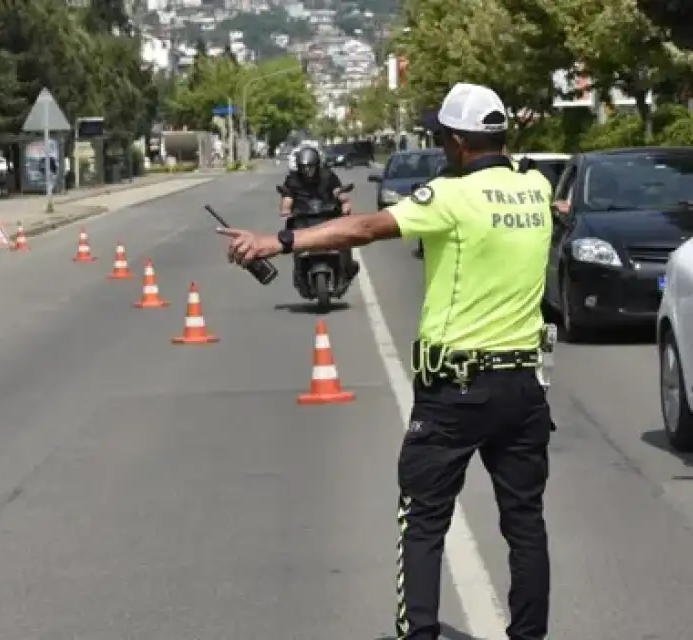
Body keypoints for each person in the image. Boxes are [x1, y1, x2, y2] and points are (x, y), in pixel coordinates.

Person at [218, 82, 556, 640]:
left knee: (422, 520)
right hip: (524, 386)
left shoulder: (452, 197)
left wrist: (278, 241)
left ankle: (418, 634)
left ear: (455, 140)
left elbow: (366, 227)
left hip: (456, 390)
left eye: (440, 135)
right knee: (524, 523)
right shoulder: (535, 189)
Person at [280, 146, 359, 278]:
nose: (307, 170)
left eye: (310, 166)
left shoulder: (327, 175)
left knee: (344, 238)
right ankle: (299, 271)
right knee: (293, 240)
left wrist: (345, 202)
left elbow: (337, 191)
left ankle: (348, 266)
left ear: (316, 165)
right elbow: (288, 198)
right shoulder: (292, 179)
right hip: (303, 219)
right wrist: (285, 210)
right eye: (304, 167)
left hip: (327, 215)